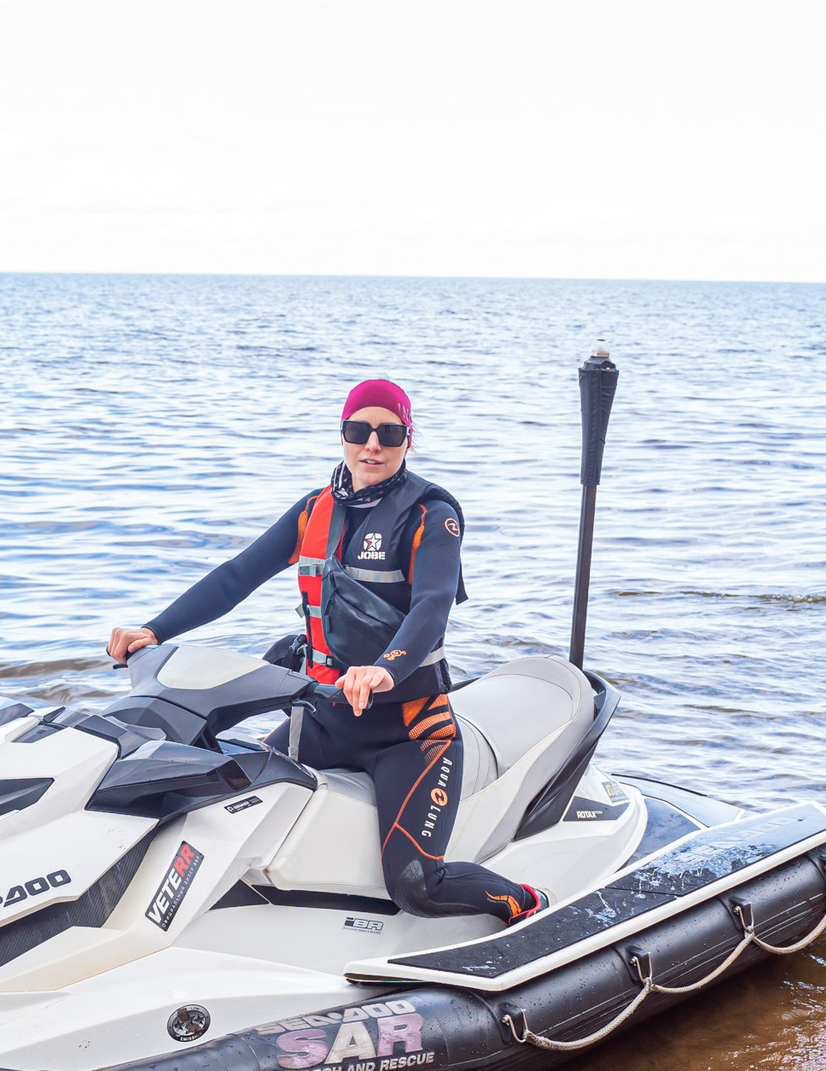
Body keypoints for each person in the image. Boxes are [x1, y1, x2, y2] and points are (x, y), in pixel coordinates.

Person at [107, 380, 545, 924]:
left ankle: (525, 901)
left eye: (390, 433)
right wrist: (154, 629)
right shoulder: (315, 510)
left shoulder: (432, 515)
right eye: (359, 431)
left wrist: (386, 670)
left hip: (409, 733)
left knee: (415, 886)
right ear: (342, 436)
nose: (373, 446)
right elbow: (236, 576)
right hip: (320, 719)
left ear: (409, 439)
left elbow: (431, 607)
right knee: (213, 798)